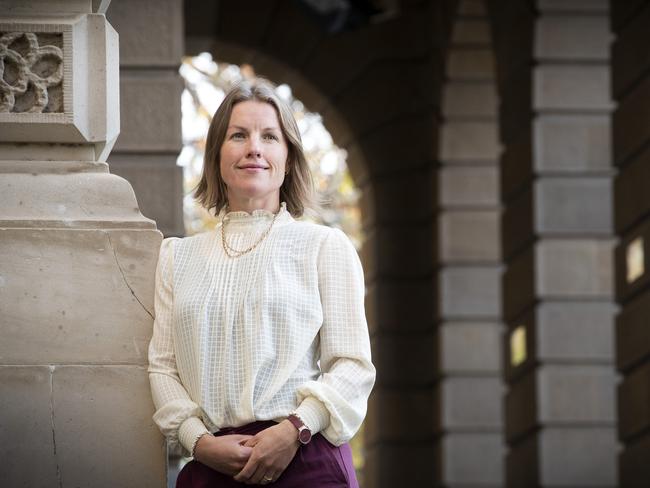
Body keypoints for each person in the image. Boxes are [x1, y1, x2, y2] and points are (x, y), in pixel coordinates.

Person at [148, 77, 375, 487]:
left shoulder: (324, 246)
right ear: (217, 154)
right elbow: (163, 368)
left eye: (269, 136)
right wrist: (197, 442)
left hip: (306, 460)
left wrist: (294, 430)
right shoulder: (176, 257)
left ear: (288, 158)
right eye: (239, 135)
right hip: (212, 467)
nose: (254, 147)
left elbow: (352, 367)